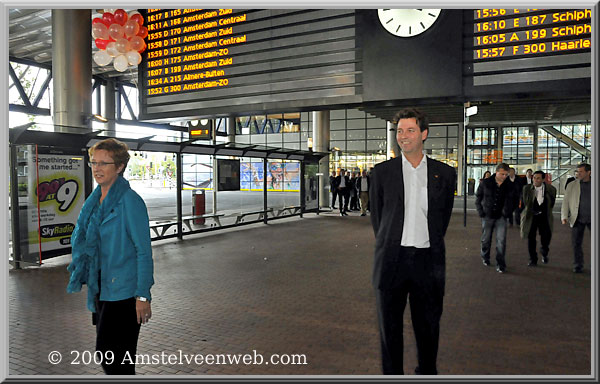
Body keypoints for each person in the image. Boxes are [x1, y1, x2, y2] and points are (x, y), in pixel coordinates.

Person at [370, 108, 455, 375]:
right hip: (391, 262)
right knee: (389, 329)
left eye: (410, 130)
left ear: (424, 134)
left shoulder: (444, 173)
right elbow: (378, 218)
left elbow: (443, 218)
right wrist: (391, 242)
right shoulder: (382, 172)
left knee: (428, 327)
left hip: (427, 263)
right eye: (399, 131)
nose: (403, 137)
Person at [67, 138, 154, 375]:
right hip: (101, 289)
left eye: (104, 163)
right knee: (108, 356)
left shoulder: (130, 201)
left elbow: (143, 251)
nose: (97, 168)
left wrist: (143, 296)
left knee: (117, 360)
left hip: (124, 293)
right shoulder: (94, 202)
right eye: (94, 162)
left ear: (119, 167)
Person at [475, 163, 517, 273]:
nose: (504, 176)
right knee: (486, 239)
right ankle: (485, 256)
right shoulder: (486, 183)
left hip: (501, 217)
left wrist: (507, 212)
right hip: (487, 215)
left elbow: (515, 200)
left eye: (506, 174)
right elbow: (478, 197)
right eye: (502, 174)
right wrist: (481, 212)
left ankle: (500, 263)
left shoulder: (510, 185)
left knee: (501, 241)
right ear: (496, 172)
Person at [520, 171, 557, 266]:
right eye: (534, 178)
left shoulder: (551, 189)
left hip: (544, 217)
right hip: (531, 216)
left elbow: (551, 204)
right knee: (530, 237)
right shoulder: (527, 189)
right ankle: (533, 259)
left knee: (546, 237)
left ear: (543, 179)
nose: (535, 180)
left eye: (538, 178)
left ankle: (544, 251)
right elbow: (525, 202)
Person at [561, 163, 591, 273]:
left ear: (589, 172)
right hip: (577, 218)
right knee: (576, 243)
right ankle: (578, 265)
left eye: (581, 171)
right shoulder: (571, 185)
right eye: (577, 171)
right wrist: (564, 216)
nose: (578, 173)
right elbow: (565, 202)